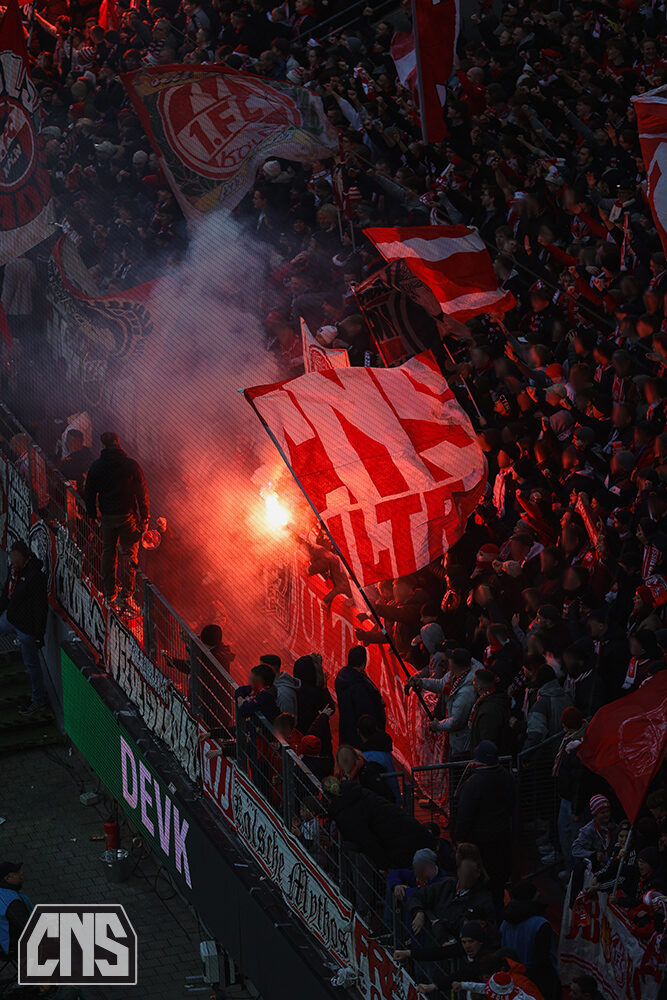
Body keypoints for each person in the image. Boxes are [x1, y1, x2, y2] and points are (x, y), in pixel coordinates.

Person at [84, 432, 150, 607]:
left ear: (103, 446)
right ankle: (127, 593)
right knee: (129, 553)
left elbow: (89, 492)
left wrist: (92, 515)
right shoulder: (131, 466)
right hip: (128, 516)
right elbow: (141, 493)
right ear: (118, 443)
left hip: (107, 517)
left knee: (108, 552)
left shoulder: (97, 466)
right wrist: (145, 516)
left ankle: (110, 592)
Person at [454, 741, 516, 916]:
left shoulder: (473, 784)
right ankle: (497, 914)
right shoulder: (507, 777)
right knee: (498, 882)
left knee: (480, 884)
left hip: (480, 843)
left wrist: (458, 838)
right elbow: (513, 805)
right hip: (502, 838)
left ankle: (481, 918)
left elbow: (465, 814)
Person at [321, 776, 430, 870]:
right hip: (407, 830)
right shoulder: (359, 792)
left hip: (398, 843)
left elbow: (367, 841)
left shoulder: (345, 814)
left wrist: (384, 865)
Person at [0, 541, 48, 716]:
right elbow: (6, 594)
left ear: (22, 556)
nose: (12, 561)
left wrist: (38, 634)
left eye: (14, 557)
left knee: (32, 665)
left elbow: (40, 608)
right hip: (11, 618)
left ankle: (38, 701)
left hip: (26, 630)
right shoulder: (15, 571)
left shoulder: (35, 577)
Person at [500, 881, 560, 1000]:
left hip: (511, 980)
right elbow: (543, 959)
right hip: (537, 983)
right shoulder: (541, 924)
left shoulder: (505, 923)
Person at [334, 645, 386, 747]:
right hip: (361, 737)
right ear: (364, 662)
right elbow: (366, 710)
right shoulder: (360, 686)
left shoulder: (342, 677)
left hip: (347, 729)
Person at [0, 861, 32, 958]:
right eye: (17, 872)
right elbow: (29, 928)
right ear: (8, 878)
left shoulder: (5, 892)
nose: (21, 873)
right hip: (11, 946)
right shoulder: (12, 903)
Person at [58, 429, 93, 494]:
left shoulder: (68, 464)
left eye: (68, 440)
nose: (66, 443)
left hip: (75, 497)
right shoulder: (89, 454)